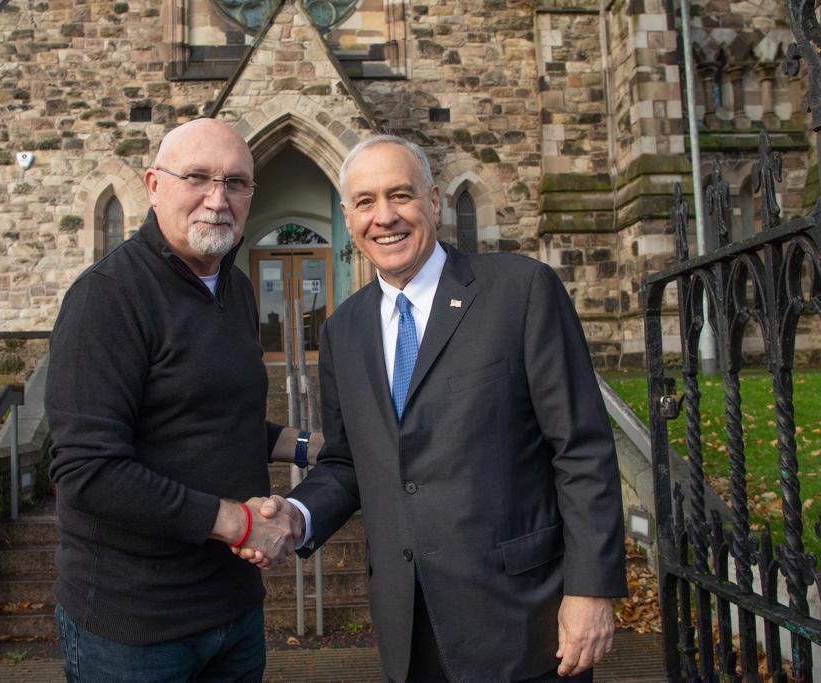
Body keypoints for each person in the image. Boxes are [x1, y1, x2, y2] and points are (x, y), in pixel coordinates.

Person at [244, 135, 627, 682]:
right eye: (366, 202)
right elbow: (349, 463)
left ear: (435, 201)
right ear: (348, 216)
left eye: (400, 195)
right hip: (409, 628)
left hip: (523, 620)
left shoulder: (521, 290)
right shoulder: (342, 330)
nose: (386, 217)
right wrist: (298, 515)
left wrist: (590, 589)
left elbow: (581, 448)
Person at [45, 117, 310, 682]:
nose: (218, 200)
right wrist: (237, 523)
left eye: (236, 183)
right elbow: (88, 471)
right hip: (135, 627)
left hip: (234, 612)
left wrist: (308, 443)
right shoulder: (106, 298)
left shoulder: (235, 288)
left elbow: (211, 419)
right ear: (154, 184)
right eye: (198, 178)